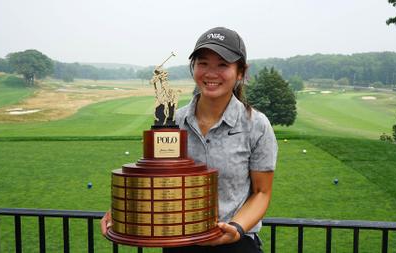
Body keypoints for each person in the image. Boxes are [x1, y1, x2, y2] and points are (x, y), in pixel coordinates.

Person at [101, 27, 278, 253]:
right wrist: (125, 211)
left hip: (235, 243)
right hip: (179, 243)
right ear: (193, 67)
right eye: (203, 63)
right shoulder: (172, 120)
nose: (211, 73)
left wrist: (235, 228)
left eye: (222, 65)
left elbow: (261, 192)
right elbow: (156, 180)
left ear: (241, 72)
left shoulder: (256, 125)